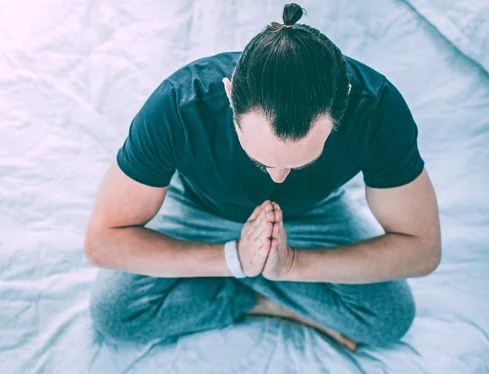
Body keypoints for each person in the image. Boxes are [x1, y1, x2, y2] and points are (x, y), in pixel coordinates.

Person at [84, 3, 441, 351]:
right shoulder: (178, 105)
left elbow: (422, 249)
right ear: (228, 96)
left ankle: (263, 288)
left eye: (299, 163)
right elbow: (102, 242)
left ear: (344, 104)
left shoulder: (377, 110)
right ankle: (270, 302)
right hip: (198, 206)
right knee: (115, 315)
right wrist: (233, 258)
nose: (280, 178)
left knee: (390, 319)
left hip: (314, 214)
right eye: (263, 160)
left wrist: (293, 263)